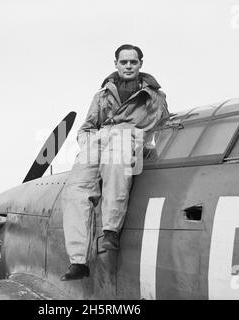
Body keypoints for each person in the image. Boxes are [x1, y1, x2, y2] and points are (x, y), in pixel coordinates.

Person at [61, 44, 169, 281]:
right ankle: (78, 261)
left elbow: (163, 127)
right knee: (75, 190)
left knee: (115, 169)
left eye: (133, 62)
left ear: (141, 64)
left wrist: (145, 145)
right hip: (98, 140)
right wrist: (88, 144)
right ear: (116, 64)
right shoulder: (101, 95)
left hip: (128, 136)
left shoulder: (155, 96)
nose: (128, 66)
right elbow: (87, 127)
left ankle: (110, 232)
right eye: (123, 62)